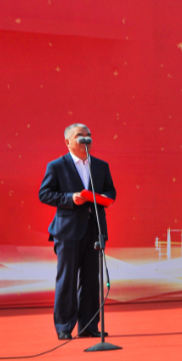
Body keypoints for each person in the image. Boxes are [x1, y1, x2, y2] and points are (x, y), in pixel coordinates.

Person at [38, 123, 117, 339]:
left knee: (92, 280)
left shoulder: (100, 166)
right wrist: (69, 199)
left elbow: (111, 190)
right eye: (80, 136)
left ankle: (89, 326)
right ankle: (64, 327)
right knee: (67, 280)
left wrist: (105, 198)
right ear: (68, 142)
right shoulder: (57, 166)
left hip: (95, 229)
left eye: (88, 136)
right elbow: (44, 194)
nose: (85, 140)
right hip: (68, 231)